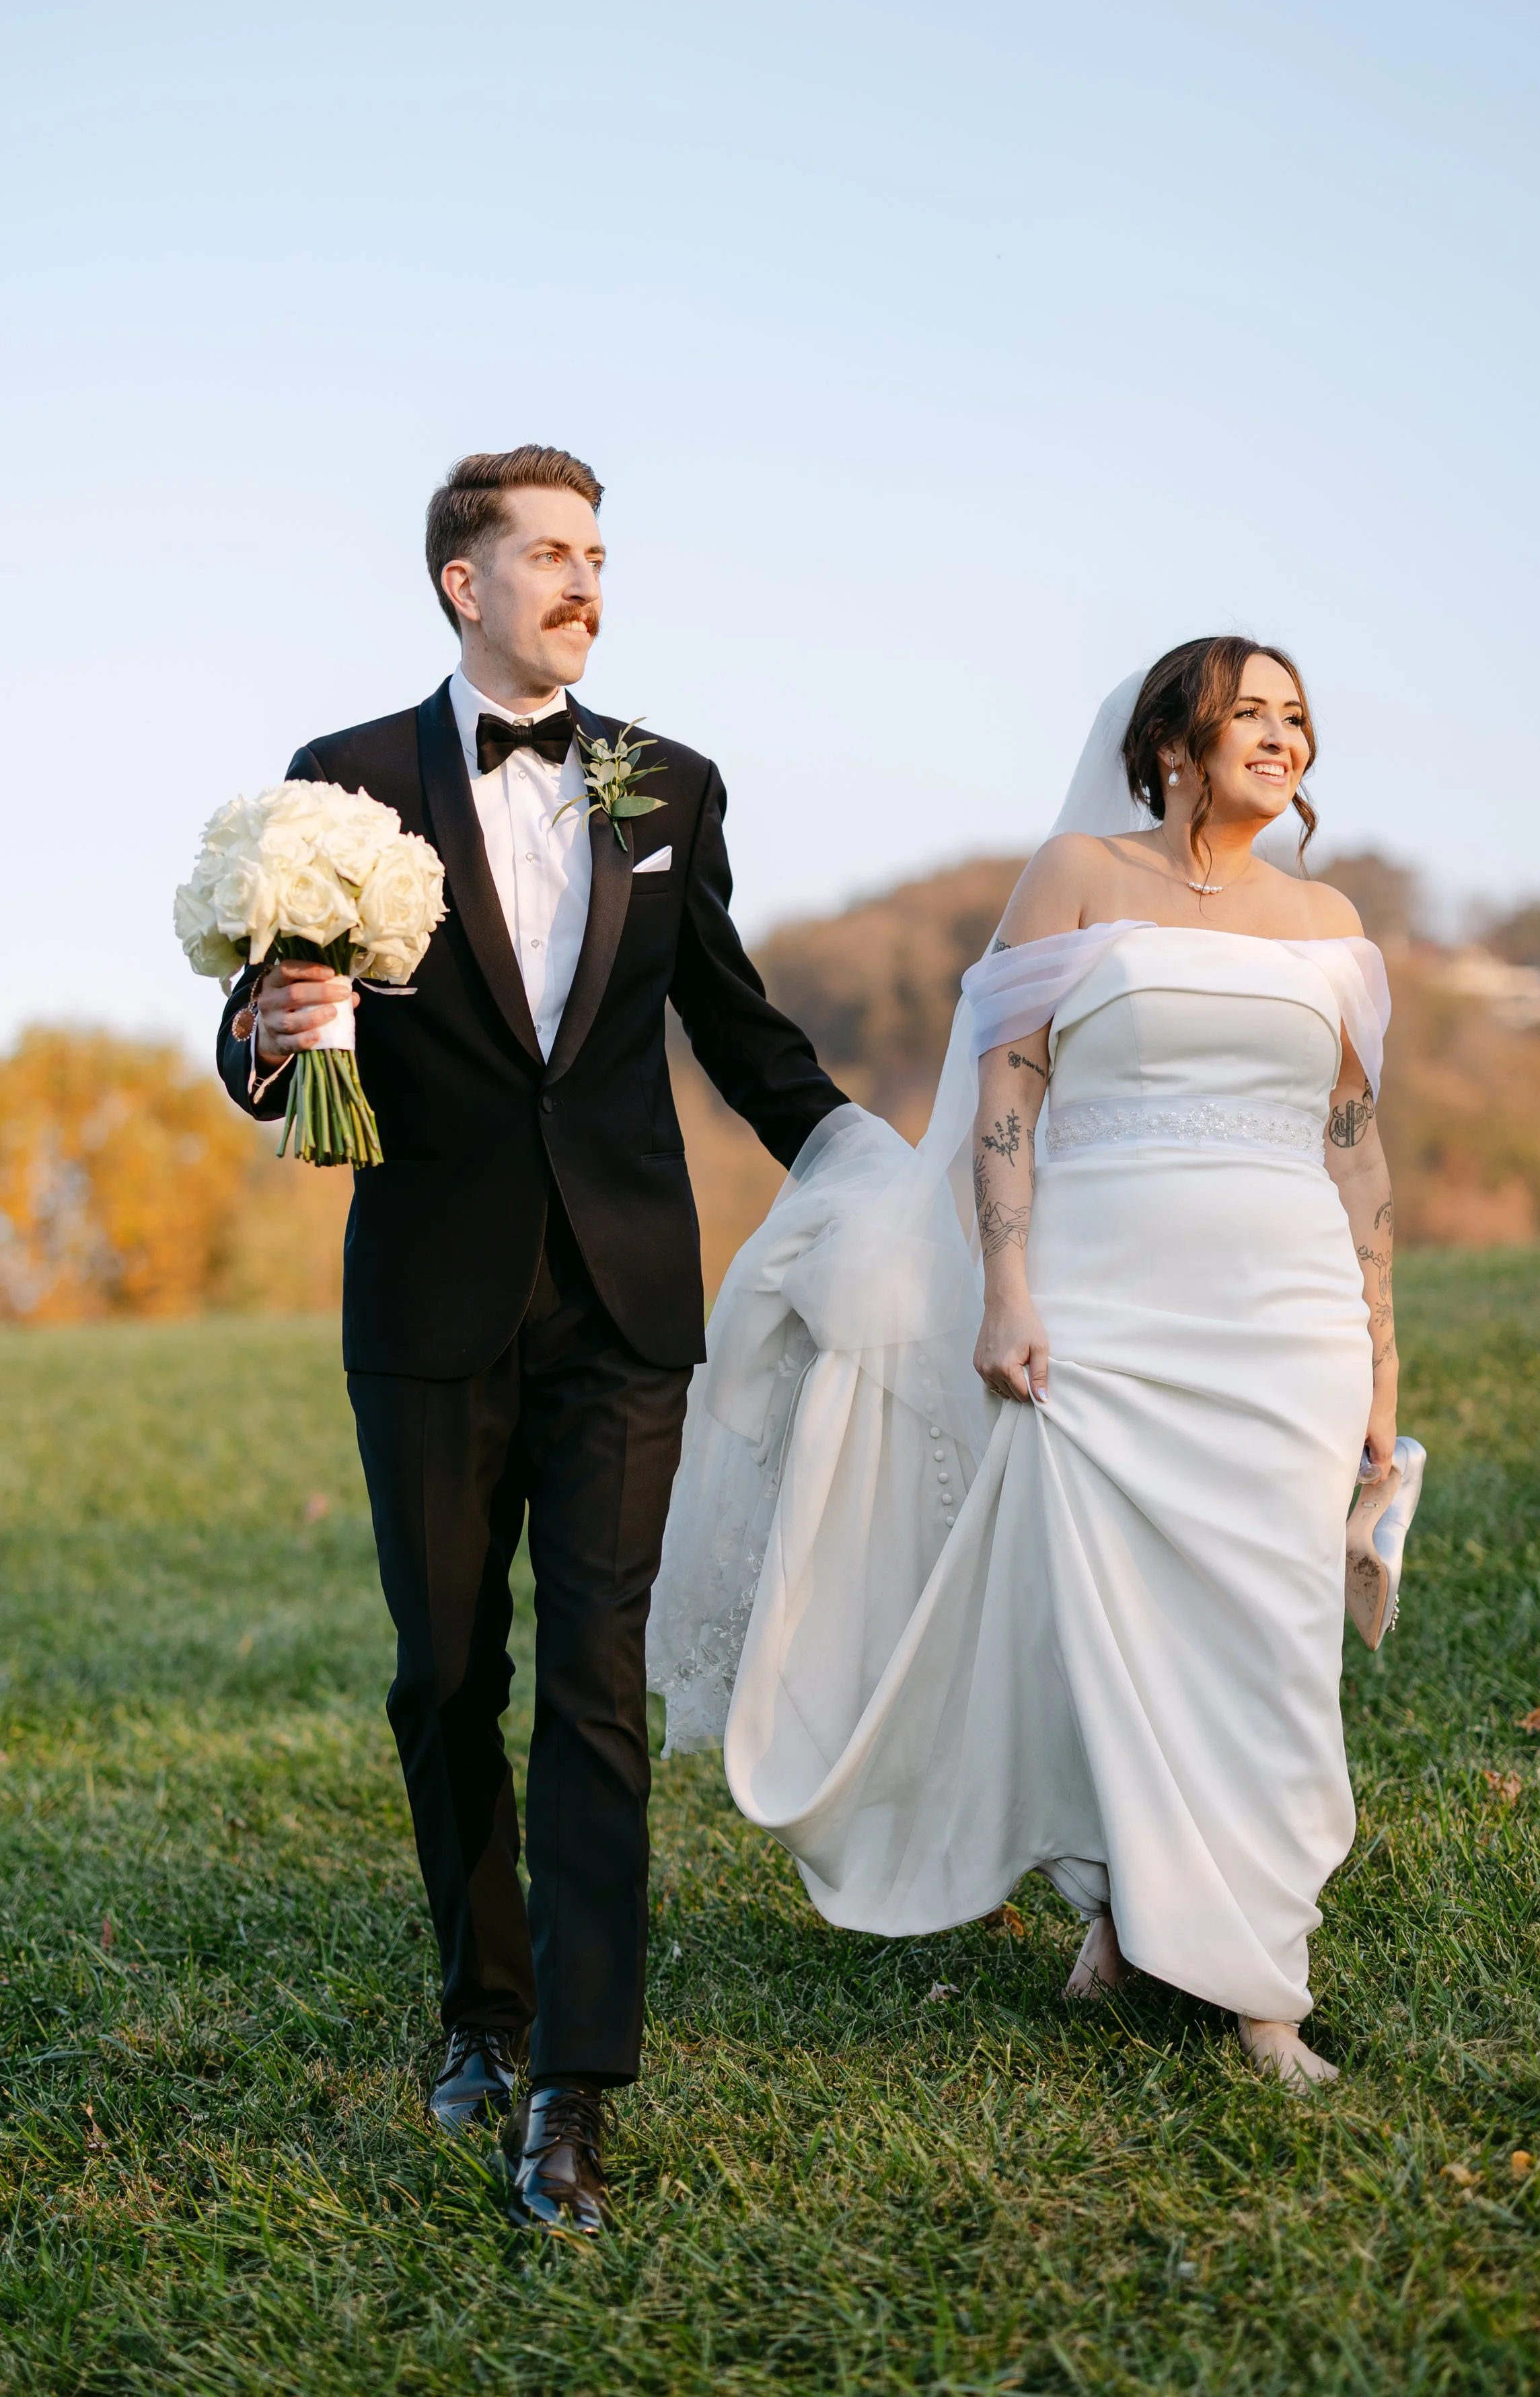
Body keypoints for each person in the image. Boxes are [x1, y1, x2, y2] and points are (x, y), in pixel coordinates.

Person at [217, 445, 847, 2233]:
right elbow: (257, 1028)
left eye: (596, 553)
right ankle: (477, 2013)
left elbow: (726, 1011)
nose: (582, 579)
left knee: (590, 1681)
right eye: (546, 554)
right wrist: (274, 1030)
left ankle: (573, 2080)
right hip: (426, 1294)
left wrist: (861, 1159)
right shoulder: (341, 782)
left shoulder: (665, 779)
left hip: (628, 1297)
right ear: (458, 581)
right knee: (442, 1675)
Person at [651, 636, 1400, 2090]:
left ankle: (1255, 1972)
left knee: (1275, 1634)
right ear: (1169, 740)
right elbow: (1006, 1094)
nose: (1281, 737)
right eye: (1248, 712)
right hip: (1102, 1307)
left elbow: (1353, 1151)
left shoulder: (1327, 918)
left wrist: (1379, 1358)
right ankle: (1132, 1916)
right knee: (1098, 1619)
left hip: (1286, 1310)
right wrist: (1003, 1288)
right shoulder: (1071, 877)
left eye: (1296, 718)